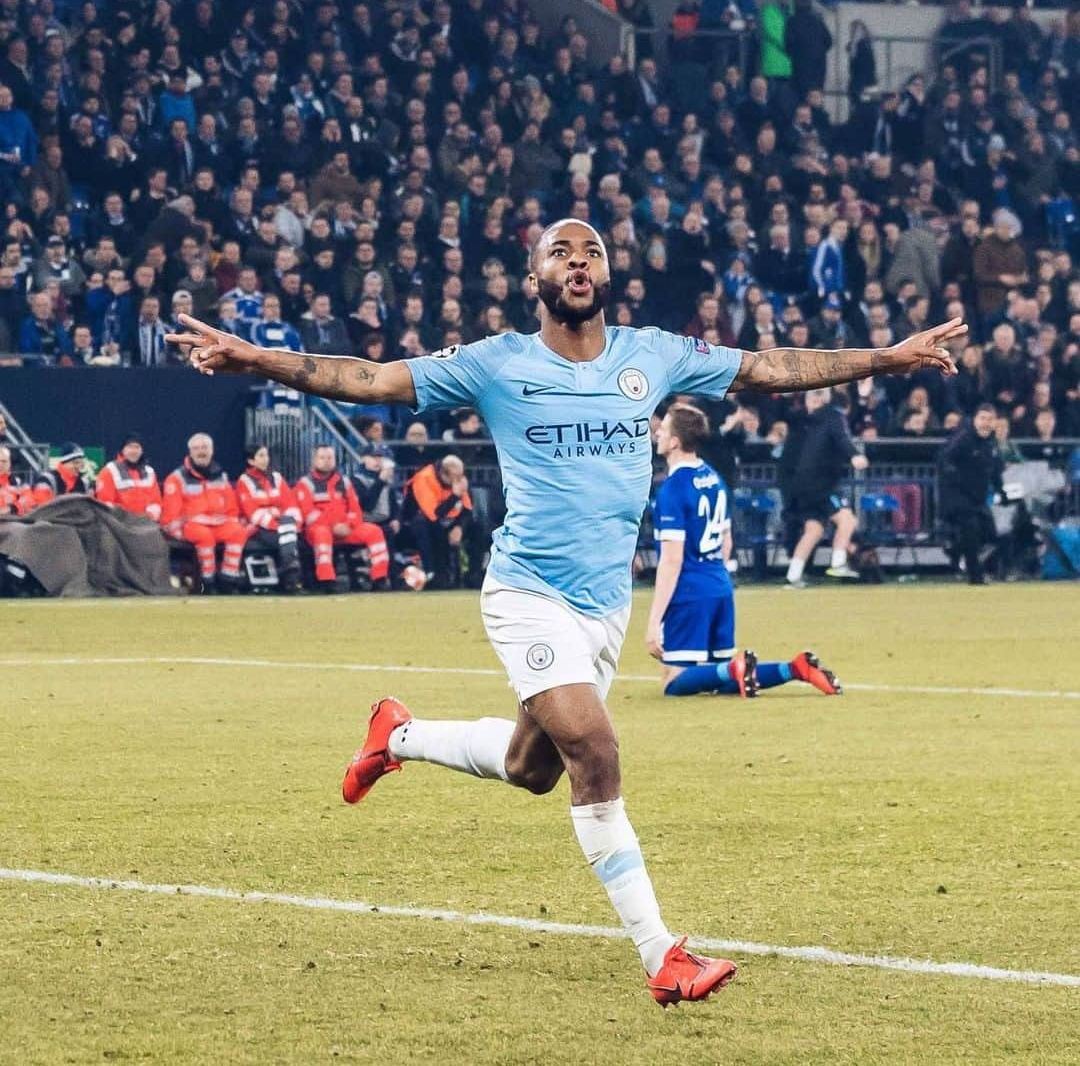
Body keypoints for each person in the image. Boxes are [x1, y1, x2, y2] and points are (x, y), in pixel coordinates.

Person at [168, 218, 962, 1007]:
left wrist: (886, 358)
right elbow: (371, 379)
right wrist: (254, 357)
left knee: (533, 768)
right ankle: (664, 956)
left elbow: (769, 368)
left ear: (607, 276)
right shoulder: (495, 363)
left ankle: (397, 735)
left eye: (592, 253)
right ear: (534, 277)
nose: (578, 262)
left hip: (603, 607)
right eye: (560, 252)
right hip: (527, 592)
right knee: (595, 749)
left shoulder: (652, 354)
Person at [646, 403, 842, 698]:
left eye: (665, 427)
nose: (658, 430)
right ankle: (795, 669)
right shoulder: (713, 478)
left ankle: (735, 668)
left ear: (674, 441)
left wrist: (653, 622)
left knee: (674, 681)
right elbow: (726, 542)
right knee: (721, 678)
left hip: (689, 590)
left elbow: (671, 561)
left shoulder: (673, 489)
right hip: (719, 585)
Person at [782, 388, 868, 588]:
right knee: (848, 521)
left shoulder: (806, 421)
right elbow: (842, 438)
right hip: (820, 483)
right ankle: (838, 563)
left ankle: (793, 575)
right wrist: (855, 455)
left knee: (814, 530)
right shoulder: (834, 415)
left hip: (799, 485)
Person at [161, 432, 253, 593]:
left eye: (205, 448)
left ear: (212, 451)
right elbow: (171, 512)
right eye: (197, 448)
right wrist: (176, 531)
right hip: (190, 525)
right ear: (190, 452)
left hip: (219, 522)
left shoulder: (220, 475)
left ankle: (228, 579)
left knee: (238, 532)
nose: (201, 452)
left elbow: (231, 505)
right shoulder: (177, 478)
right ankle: (207, 582)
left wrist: (233, 520)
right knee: (204, 537)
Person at [294, 445, 390, 590]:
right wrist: (334, 526)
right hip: (317, 530)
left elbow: (355, 510)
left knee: (374, 531)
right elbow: (310, 514)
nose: (326, 461)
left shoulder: (344, 482)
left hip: (345, 529)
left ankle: (379, 578)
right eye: (322, 457)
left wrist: (348, 525)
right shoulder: (305, 484)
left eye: (330, 457)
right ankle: (326, 580)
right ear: (314, 461)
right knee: (322, 533)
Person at [938, 403, 1003, 586]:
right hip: (957, 496)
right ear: (974, 420)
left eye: (989, 419)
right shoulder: (963, 438)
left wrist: (1001, 490)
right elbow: (944, 458)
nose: (985, 423)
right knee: (972, 531)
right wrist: (953, 475)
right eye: (982, 418)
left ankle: (955, 551)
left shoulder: (991, 443)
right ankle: (976, 577)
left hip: (977, 497)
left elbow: (995, 470)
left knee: (991, 535)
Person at [402, 454, 481, 588]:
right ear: (446, 474)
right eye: (457, 477)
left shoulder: (458, 481)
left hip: (449, 522)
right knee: (425, 526)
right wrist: (455, 496)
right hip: (421, 525)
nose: (462, 480)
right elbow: (433, 515)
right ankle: (432, 574)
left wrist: (459, 528)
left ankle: (473, 575)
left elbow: (467, 509)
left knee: (478, 528)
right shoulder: (424, 478)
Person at [235, 444, 302, 592]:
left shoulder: (277, 478)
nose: (266, 459)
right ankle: (291, 580)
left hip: (284, 526)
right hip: (259, 529)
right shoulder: (244, 481)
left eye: (266, 455)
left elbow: (290, 503)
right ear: (251, 461)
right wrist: (279, 526)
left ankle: (290, 576)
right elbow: (252, 513)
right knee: (289, 538)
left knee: (289, 536)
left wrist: (293, 524)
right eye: (261, 456)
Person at [94, 433, 163, 521]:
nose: (133, 451)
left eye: (137, 447)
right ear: (122, 450)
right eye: (129, 447)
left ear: (142, 451)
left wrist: (148, 518)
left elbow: (156, 502)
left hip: (145, 526)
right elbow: (105, 504)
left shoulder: (150, 472)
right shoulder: (109, 471)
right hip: (119, 526)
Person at [0, 444, 31, 514]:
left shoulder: (18, 482)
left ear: (9, 463)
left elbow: (29, 499)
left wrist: (12, 508)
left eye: (4, 461)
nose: (1, 464)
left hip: (12, 520)